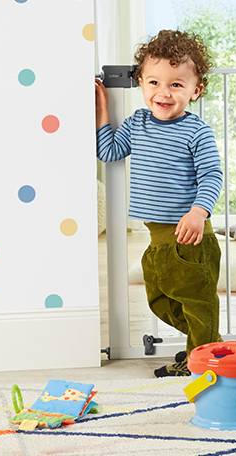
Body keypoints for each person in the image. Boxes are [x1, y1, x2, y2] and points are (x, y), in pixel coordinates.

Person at [95, 30, 223, 377]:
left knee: (197, 302)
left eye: (176, 85)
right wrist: (102, 110)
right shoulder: (137, 122)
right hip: (157, 239)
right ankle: (207, 343)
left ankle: (200, 361)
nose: (163, 93)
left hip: (189, 237)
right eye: (154, 82)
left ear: (196, 90)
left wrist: (198, 212)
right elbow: (109, 151)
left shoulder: (196, 131)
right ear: (141, 83)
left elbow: (212, 175)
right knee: (159, 298)